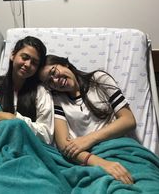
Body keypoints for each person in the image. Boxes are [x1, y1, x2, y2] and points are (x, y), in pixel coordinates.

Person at [39, 54, 137, 184]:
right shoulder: (58, 100)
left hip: (119, 149)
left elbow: (128, 120)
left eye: (53, 72)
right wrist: (101, 163)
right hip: (88, 160)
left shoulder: (99, 80)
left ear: (65, 64)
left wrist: (88, 139)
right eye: (50, 81)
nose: (56, 80)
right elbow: (64, 145)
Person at [0, 36, 54, 144]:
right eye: (24, 57)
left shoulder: (41, 92)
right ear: (12, 55)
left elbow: (47, 136)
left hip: (29, 149)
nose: (28, 64)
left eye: (34, 63)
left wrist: (13, 118)